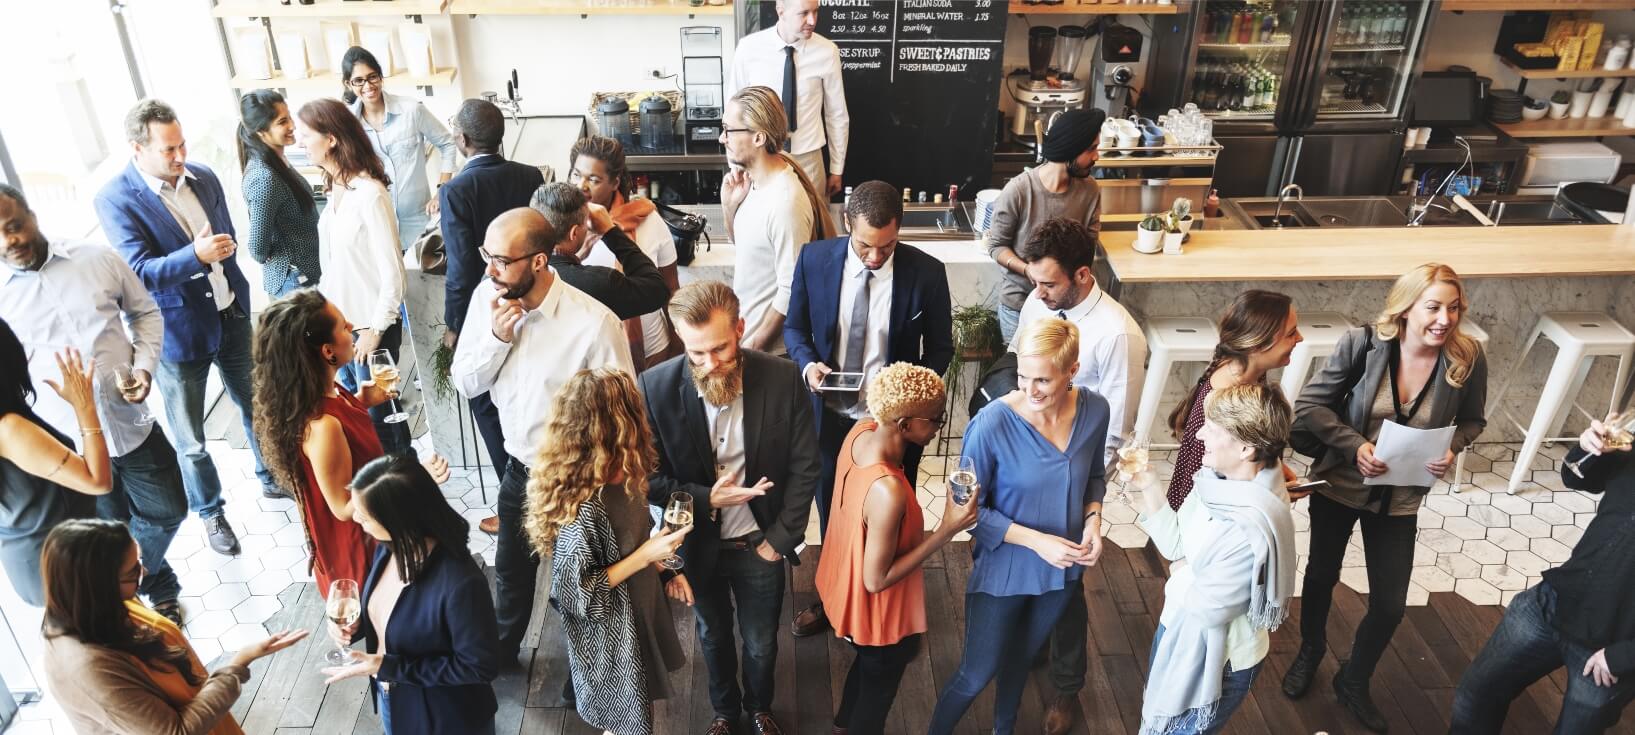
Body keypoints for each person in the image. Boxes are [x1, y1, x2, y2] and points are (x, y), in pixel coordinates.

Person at [1284, 263, 1488, 733]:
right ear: (1406, 307)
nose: (1445, 319)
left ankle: (1354, 679)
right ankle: (1310, 650)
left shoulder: (1467, 356)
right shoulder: (1363, 345)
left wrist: (1453, 448)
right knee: (1320, 574)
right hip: (1340, 485)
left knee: (1391, 604)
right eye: (1433, 307)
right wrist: (1355, 445)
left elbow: (1474, 419)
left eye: (1454, 308)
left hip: (1399, 498)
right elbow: (1312, 407)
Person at [450, 207, 633, 662]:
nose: (489, 269)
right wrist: (495, 337)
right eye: (486, 256)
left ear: (538, 261)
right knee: (512, 574)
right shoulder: (486, 299)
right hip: (519, 470)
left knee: (582, 585)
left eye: (501, 260)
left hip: (580, 482)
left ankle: (586, 680)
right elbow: (466, 382)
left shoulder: (594, 324)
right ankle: (500, 657)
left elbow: (625, 414)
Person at [638, 280, 820, 735]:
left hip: (760, 543)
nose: (709, 364)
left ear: (740, 328)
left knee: (760, 642)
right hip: (697, 547)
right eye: (696, 353)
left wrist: (778, 543)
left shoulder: (781, 378)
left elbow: (805, 467)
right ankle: (724, 712)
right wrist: (707, 499)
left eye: (719, 349)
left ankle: (759, 706)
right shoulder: (655, 388)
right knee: (713, 636)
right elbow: (648, 481)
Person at [1, 185, 187, 623]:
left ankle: (140, 574)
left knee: (169, 510)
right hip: (66, 447)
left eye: (13, 226)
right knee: (106, 534)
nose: (8, 241)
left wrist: (143, 368)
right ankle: (151, 597)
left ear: (32, 213)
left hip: (131, 419)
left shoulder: (95, 258)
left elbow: (145, 313)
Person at [93, 98, 270, 554]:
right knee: (191, 439)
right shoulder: (114, 199)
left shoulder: (204, 177)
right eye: (168, 149)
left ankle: (272, 475)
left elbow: (225, 238)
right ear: (138, 149)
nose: (180, 156)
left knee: (256, 407)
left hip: (230, 312)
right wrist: (196, 256)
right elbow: (139, 271)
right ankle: (211, 514)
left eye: (182, 144)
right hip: (177, 334)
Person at [782, 179, 953, 637]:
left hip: (891, 428)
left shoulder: (928, 273)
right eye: (864, 246)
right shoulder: (813, 260)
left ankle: (880, 605)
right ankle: (830, 598)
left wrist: (908, 390)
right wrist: (807, 365)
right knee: (833, 509)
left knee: (888, 520)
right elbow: (794, 329)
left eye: (887, 246)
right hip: (829, 418)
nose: (875, 257)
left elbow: (941, 349)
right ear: (845, 225)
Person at [927, 318, 1108, 735]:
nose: (1029, 390)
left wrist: (1094, 520)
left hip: (1063, 569)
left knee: (1022, 659)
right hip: (1005, 569)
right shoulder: (991, 424)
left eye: (1043, 379)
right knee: (976, 674)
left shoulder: (1096, 410)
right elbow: (965, 509)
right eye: (1023, 376)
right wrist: (1037, 542)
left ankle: (1003, 729)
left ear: (1072, 371)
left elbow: (1094, 477)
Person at [1005, 216, 1145, 734]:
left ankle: (1067, 687)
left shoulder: (1118, 335)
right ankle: (1030, 649)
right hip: (1022, 472)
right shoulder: (1040, 303)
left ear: (1083, 275)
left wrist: (1086, 503)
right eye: (1035, 281)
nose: (1036, 291)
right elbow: (1022, 380)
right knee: (1022, 570)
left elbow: (1115, 431)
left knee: (1064, 589)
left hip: (1070, 487)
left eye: (1048, 282)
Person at [814, 363, 977, 735]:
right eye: (936, 419)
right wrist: (948, 528)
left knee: (869, 669)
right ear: (904, 425)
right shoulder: (887, 491)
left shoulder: (860, 431)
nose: (939, 426)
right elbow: (877, 579)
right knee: (878, 694)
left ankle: (842, 724)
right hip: (878, 615)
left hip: (845, 588)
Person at [526, 368, 690, 735]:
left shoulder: (626, 473)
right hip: (613, 637)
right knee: (626, 723)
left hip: (639, 612)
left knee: (639, 712)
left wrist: (666, 568)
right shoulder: (583, 509)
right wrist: (645, 557)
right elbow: (577, 596)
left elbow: (636, 541)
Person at [1450, 414, 1635, 734]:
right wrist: (1586, 449)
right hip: (1554, 601)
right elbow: (1577, 478)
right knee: (1475, 696)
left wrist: (1624, 656)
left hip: (1613, 648)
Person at [40, 519, 306, 735]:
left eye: (139, 561)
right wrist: (239, 664)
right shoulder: (89, 668)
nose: (143, 572)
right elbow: (176, 732)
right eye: (133, 571)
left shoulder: (87, 606)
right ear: (98, 585)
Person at [1134, 384, 1297, 735]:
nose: (1200, 432)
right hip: (1177, 626)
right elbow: (1177, 548)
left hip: (1220, 660)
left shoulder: (1251, 525)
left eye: (1213, 428)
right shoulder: (1215, 480)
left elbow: (1207, 607)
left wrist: (1183, 575)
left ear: (1245, 448)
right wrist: (1148, 483)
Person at [321, 455, 501, 735]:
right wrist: (358, 626)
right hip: (395, 698)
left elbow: (480, 667)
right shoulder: (387, 548)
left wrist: (388, 666)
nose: (355, 518)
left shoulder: (461, 584)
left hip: (445, 720)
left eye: (364, 514)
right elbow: (391, 614)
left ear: (397, 521)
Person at [440, 98, 545, 535]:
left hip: (487, 309)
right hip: (534, 304)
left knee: (487, 404)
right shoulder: (531, 175)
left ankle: (514, 506)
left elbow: (463, 265)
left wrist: (453, 324)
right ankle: (542, 498)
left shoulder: (455, 191)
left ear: (462, 140)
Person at [253, 289, 395, 599]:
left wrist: (360, 402)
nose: (352, 326)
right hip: (361, 544)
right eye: (344, 326)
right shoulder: (323, 427)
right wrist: (403, 477)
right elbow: (343, 508)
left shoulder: (326, 392)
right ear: (328, 351)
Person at [297, 97, 411, 457]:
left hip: (368, 331)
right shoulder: (335, 188)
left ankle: (409, 497)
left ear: (331, 139)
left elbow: (394, 273)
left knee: (386, 422)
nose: (299, 142)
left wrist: (375, 333)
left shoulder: (370, 195)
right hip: (340, 326)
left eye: (305, 135)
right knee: (360, 422)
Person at [1163, 290, 1305, 511]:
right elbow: (1209, 489)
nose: (1300, 338)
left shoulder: (1246, 371)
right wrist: (1274, 492)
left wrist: (1274, 469)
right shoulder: (1225, 407)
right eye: (1291, 333)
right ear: (1258, 345)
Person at [720, 85, 835, 355]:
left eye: (729, 129)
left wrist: (755, 348)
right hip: (748, 338)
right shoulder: (753, 182)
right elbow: (747, 249)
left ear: (759, 137)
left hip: (773, 352)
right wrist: (730, 206)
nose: (722, 138)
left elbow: (790, 288)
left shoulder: (785, 202)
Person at [0, 323, 106, 606]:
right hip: (65, 565)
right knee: (128, 641)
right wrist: (85, 407)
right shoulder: (10, 428)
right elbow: (98, 481)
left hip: (36, 559)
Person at [986, 107, 1105, 344]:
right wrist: (1028, 270)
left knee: (1066, 380)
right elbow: (996, 245)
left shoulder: (1090, 190)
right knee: (1020, 376)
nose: (1096, 156)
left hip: (1067, 310)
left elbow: (1089, 246)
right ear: (1071, 149)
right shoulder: (1019, 190)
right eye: (1091, 148)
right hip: (1018, 307)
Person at [568, 135, 683, 370]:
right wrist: (580, 252)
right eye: (576, 175)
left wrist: (677, 342)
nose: (582, 186)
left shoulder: (648, 220)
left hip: (652, 352)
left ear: (614, 182)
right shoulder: (562, 226)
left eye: (594, 179)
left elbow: (671, 288)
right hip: (593, 358)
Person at [343, 46, 458, 253]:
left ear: (381, 76)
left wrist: (442, 190)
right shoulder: (348, 125)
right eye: (359, 80)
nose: (368, 86)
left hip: (418, 223)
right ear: (348, 84)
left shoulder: (411, 110)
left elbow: (448, 143)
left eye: (373, 77)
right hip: (376, 226)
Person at [727, 0, 849, 195]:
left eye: (816, 12)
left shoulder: (827, 51)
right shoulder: (748, 49)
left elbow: (837, 114)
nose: (812, 20)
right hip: (760, 156)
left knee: (812, 223)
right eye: (804, 13)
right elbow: (734, 113)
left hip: (809, 159)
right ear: (781, 12)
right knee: (763, 222)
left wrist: (836, 168)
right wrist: (735, 162)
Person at [529, 182, 670, 322]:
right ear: (574, 233)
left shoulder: (517, 273)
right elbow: (657, 291)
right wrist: (610, 231)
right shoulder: (599, 284)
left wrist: (573, 258)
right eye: (585, 223)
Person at [238, 89, 320, 298]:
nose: (292, 125)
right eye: (282, 122)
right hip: (294, 281)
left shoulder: (276, 162)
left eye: (289, 117)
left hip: (306, 276)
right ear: (261, 132)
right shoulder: (264, 178)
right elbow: (257, 248)